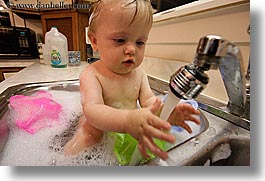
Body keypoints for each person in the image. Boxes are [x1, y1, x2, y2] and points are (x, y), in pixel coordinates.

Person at [64, 0, 200, 162]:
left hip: (129, 129)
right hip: (96, 130)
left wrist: (165, 114)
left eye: (140, 42)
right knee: (85, 141)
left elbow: (149, 101)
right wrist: (127, 121)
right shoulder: (92, 74)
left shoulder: (139, 73)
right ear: (94, 41)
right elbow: (93, 110)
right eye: (120, 40)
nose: (132, 49)